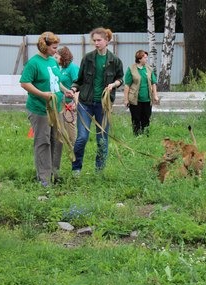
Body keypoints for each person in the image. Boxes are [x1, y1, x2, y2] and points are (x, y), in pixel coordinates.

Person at [19, 31, 73, 186]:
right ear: (44, 46)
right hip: (40, 109)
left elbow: (55, 81)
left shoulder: (52, 61)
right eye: (54, 47)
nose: (56, 50)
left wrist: (65, 90)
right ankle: (44, 179)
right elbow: (24, 82)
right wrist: (42, 94)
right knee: (43, 142)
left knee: (57, 141)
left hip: (56, 109)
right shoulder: (34, 63)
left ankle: (54, 174)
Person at [69, 27, 124, 175]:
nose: (96, 43)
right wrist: (73, 89)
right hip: (85, 103)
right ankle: (76, 169)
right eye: (94, 41)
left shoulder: (115, 61)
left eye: (99, 40)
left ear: (107, 41)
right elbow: (79, 80)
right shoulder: (87, 58)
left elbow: (120, 79)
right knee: (82, 137)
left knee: (102, 140)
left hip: (103, 105)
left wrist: (114, 85)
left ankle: (99, 171)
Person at [123, 50, 159, 136]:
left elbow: (153, 83)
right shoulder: (131, 69)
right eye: (145, 57)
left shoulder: (149, 69)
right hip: (135, 100)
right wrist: (126, 99)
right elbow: (127, 85)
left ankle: (146, 136)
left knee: (146, 118)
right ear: (139, 59)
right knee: (136, 119)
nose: (147, 59)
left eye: (147, 57)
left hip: (147, 99)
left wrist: (155, 95)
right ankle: (137, 137)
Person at [54, 46, 79, 147]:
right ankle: (66, 144)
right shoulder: (62, 69)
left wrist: (75, 103)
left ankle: (74, 146)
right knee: (62, 124)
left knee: (70, 124)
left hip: (71, 101)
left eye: (56, 57)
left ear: (63, 57)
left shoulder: (72, 68)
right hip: (62, 101)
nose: (55, 59)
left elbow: (78, 85)